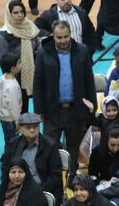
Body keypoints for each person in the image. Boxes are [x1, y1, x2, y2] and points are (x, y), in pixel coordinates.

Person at [32, 21, 96, 174]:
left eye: (66, 36)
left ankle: (72, 177)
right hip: (52, 111)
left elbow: (89, 80)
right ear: (53, 36)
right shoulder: (43, 52)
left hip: (76, 110)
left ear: (70, 35)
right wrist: (38, 111)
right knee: (50, 148)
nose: (63, 41)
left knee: (74, 149)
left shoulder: (82, 51)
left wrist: (92, 105)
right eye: (59, 37)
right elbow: (38, 83)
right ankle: (52, 179)